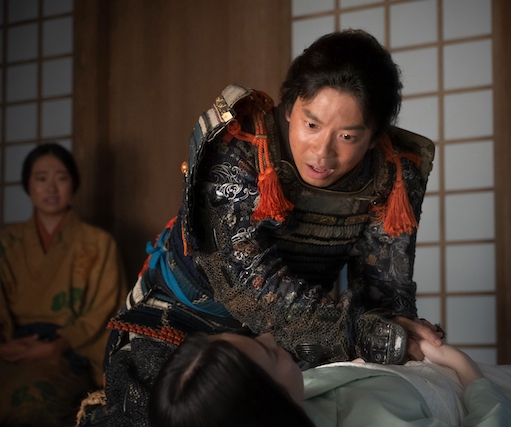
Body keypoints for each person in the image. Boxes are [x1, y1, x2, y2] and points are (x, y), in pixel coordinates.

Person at [90, 29, 439, 426]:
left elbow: (385, 288)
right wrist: (366, 334)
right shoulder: (239, 143)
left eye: (347, 136)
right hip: (192, 319)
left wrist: (405, 334)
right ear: (289, 107)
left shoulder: (394, 170)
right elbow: (250, 286)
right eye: (311, 124)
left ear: (374, 136)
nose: (322, 152)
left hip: (300, 334)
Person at [148, 331, 511, 427]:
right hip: (486, 394)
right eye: (269, 353)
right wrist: (463, 368)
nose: (272, 338)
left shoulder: (298, 394)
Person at [0, 143, 128, 426]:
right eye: (41, 178)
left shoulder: (98, 243)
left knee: (30, 401)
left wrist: (57, 346)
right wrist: (4, 347)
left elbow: (106, 309)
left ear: (74, 183)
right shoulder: (6, 243)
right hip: (13, 347)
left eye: (61, 177)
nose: (51, 188)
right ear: (28, 184)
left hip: (70, 351)